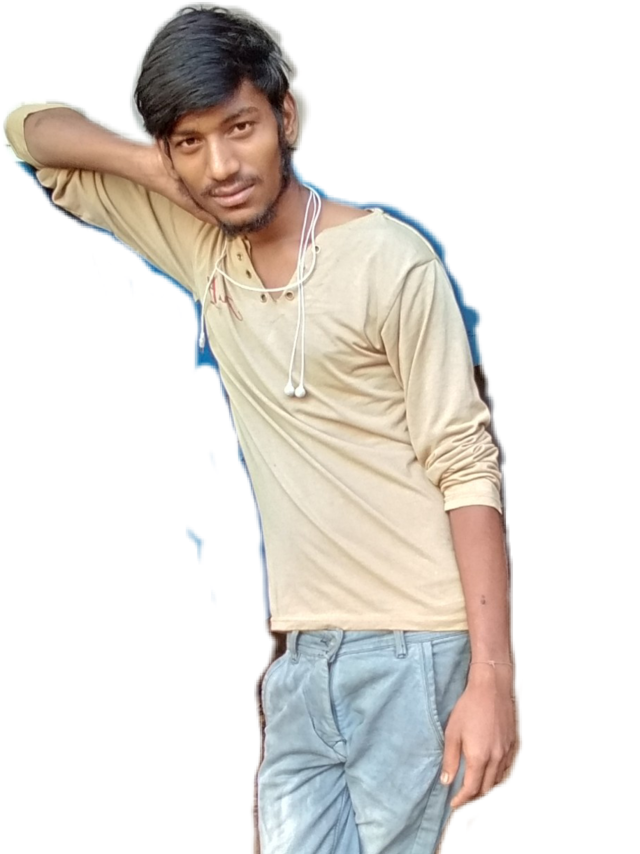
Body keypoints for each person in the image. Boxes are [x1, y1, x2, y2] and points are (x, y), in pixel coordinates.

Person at [1, 5, 514, 853]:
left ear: (284, 115)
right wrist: (156, 166)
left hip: (417, 645)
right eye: (191, 141)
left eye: (239, 127)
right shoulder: (202, 246)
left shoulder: (388, 260)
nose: (223, 165)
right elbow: (28, 130)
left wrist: (492, 678)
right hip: (303, 658)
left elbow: (465, 462)